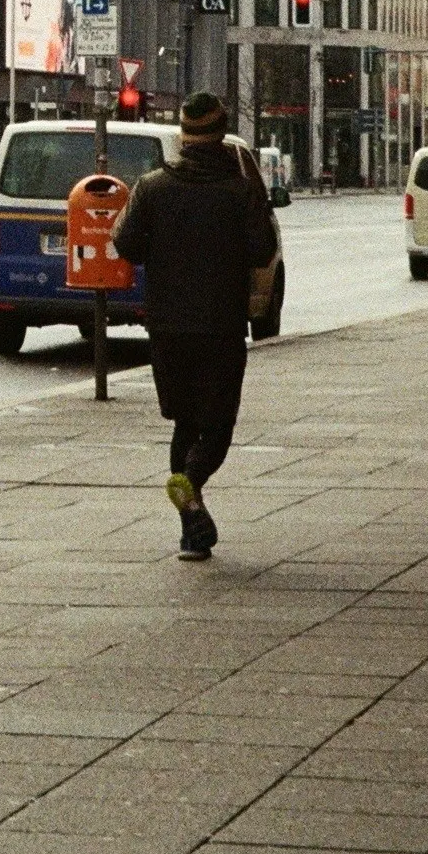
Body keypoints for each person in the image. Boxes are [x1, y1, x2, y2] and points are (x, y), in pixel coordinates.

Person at [113, 90, 277, 559]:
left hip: (166, 327)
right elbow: (263, 250)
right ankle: (190, 482)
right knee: (218, 425)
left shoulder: (152, 187)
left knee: (185, 421)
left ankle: (191, 530)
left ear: (183, 137)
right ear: (222, 134)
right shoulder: (240, 189)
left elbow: (124, 244)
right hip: (221, 326)